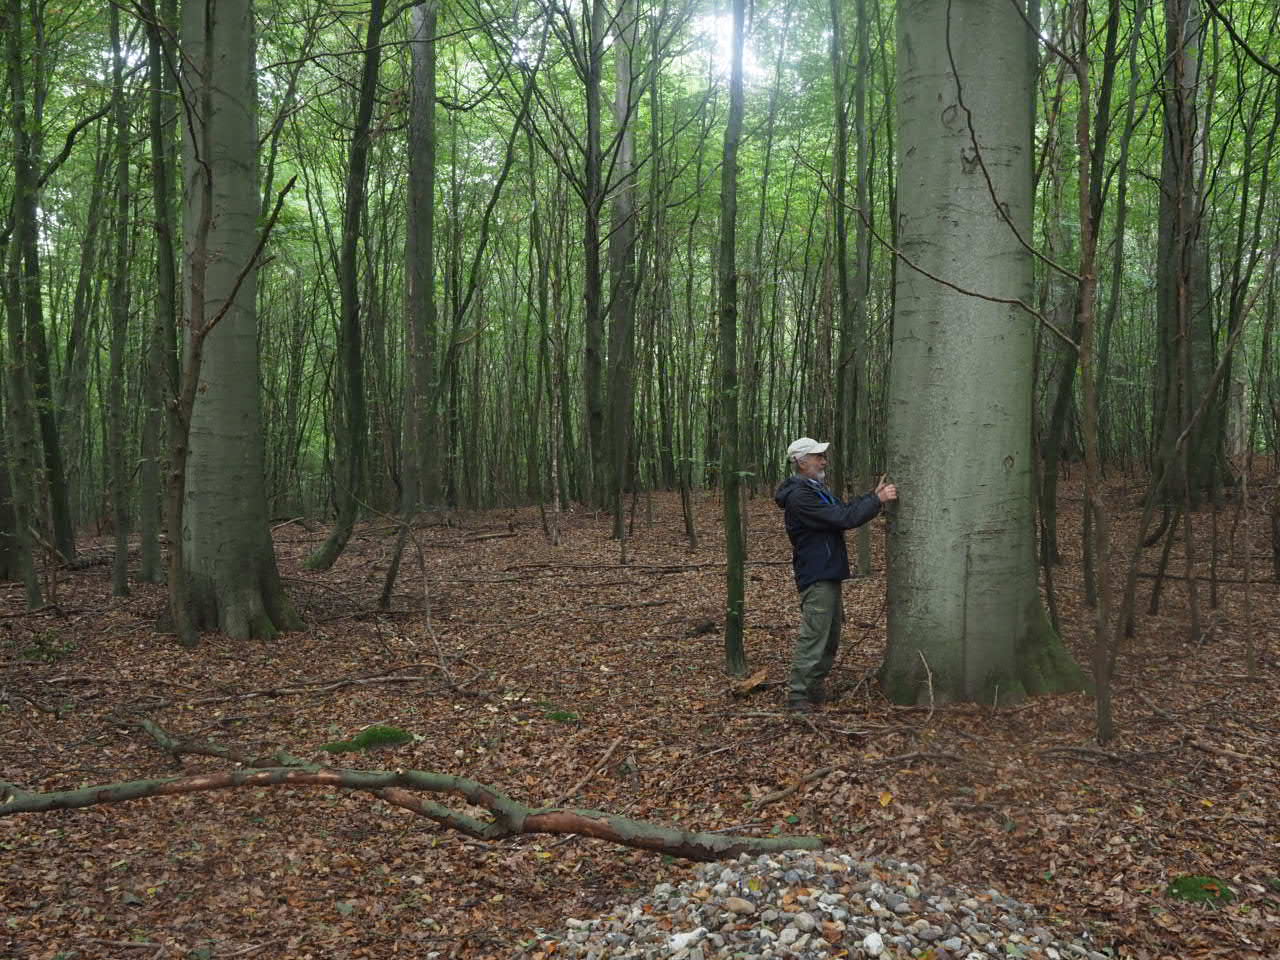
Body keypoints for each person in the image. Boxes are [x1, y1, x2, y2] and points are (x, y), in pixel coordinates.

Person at [774, 437, 897, 713]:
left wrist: (870, 498)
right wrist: (876, 500)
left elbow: (841, 510)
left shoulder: (814, 488)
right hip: (816, 573)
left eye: (823, 455)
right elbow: (842, 518)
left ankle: (814, 687)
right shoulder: (800, 496)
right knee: (816, 634)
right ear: (801, 462)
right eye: (818, 455)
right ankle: (798, 696)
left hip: (827, 571)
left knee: (830, 635)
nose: (824, 460)